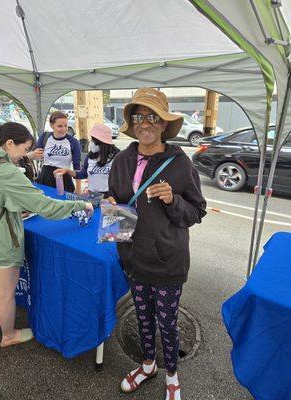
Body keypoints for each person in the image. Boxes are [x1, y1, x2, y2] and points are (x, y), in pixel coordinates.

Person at [107, 88, 207, 400]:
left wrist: (173, 200)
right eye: (139, 116)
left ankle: (172, 376)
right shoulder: (121, 160)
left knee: (167, 322)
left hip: (168, 261)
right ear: (132, 123)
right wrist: (110, 203)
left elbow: (197, 211)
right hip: (134, 259)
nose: (145, 123)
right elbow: (117, 204)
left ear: (164, 124)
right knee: (143, 317)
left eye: (153, 117)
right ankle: (148, 364)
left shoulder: (180, 163)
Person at [0, 122, 93, 347]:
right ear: (9, 144)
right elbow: (45, 207)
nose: (24, 155)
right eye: (23, 149)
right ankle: (8, 336)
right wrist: (79, 206)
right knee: (6, 293)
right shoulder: (6, 171)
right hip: (1, 240)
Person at [54, 123, 119, 197]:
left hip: (110, 197)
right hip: (92, 196)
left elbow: (122, 181)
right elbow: (83, 174)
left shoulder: (116, 157)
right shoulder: (90, 156)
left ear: (103, 143)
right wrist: (67, 171)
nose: (91, 143)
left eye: (94, 140)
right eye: (91, 139)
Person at [36, 111, 81, 192]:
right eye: (60, 126)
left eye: (66, 125)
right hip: (45, 178)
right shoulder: (44, 137)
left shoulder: (73, 141)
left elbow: (77, 166)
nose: (64, 129)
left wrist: (78, 189)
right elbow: (35, 155)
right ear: (51, 125)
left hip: (64, 178)